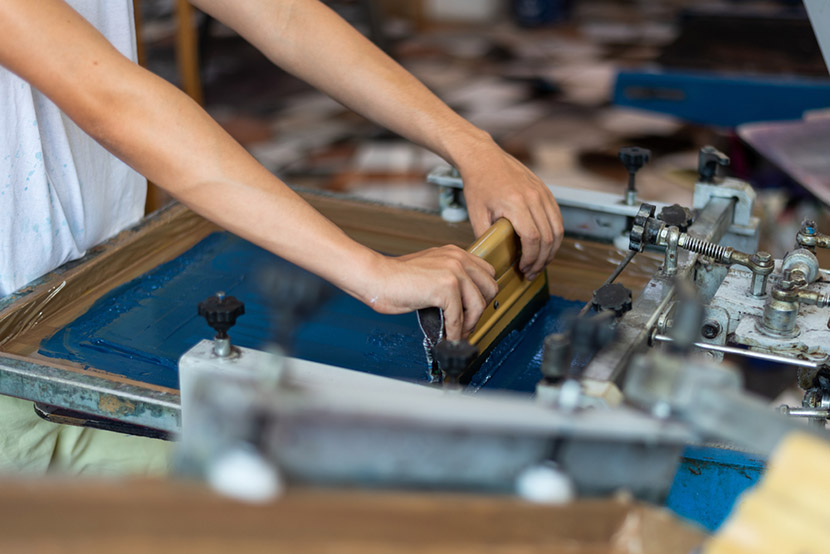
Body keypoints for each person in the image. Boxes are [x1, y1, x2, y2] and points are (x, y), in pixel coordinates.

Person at [0, 0, 563, 475]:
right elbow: (107, 97)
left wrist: (472, 147)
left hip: (91, 276)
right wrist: (369, 269)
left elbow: (284, 15)